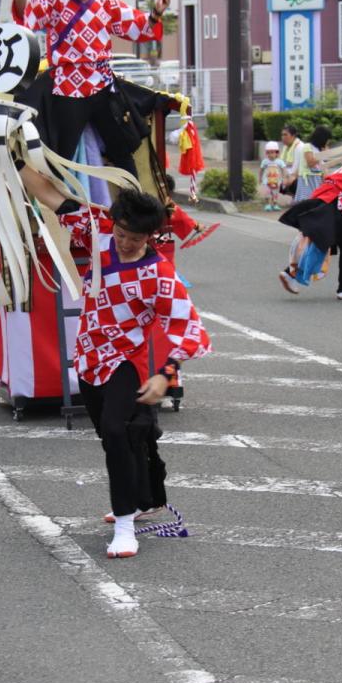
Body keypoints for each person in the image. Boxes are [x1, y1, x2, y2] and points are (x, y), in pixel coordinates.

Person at [22, 170, 211, 558]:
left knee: (116, 430)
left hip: (129, 359)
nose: (125, 243)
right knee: (113, 436)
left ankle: (125, 526)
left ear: (151, 236)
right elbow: (47, 192)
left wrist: (166, 374)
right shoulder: (97, 237)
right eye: (122, 234)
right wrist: (7, 145)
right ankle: (144, 498)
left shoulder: (159, 274)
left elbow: (188, 329)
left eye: (136, 239)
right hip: (89, 355)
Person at [12, 0, 168, 175]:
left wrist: (155, 14)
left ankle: (135, 205)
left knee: (122, 151)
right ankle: (61, 208)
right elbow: (24, 11)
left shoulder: (107, 4)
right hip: (68, 88)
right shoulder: (53, 1)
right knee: (61, 155)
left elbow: (139, 27)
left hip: (102, 85)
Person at [278, 157, 342, 300]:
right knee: (340, 245)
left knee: (320, 243)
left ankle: (290, 273)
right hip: (334, 204)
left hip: (323, 200)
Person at [290, 125, 332, 203]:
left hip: (317, 178)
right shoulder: (307, 146)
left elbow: (323, 166)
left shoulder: (319, 150)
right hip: (308, 179)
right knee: (306, 201)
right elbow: (310, 163)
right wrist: (323, 153)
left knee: (315, 201)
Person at [259, 142, 287, 211]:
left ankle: (275, 204)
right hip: (267, 181)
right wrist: (260, 178)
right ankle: (268, 204)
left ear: (277, 153)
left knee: (275, 193)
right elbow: (261, 170)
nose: (270, 154)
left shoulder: (279, 161)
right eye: (268, 153)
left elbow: (284, 169)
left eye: (272, 152)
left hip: (276, 181)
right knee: (268, 193)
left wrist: (284, 178)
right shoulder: (265, 161)